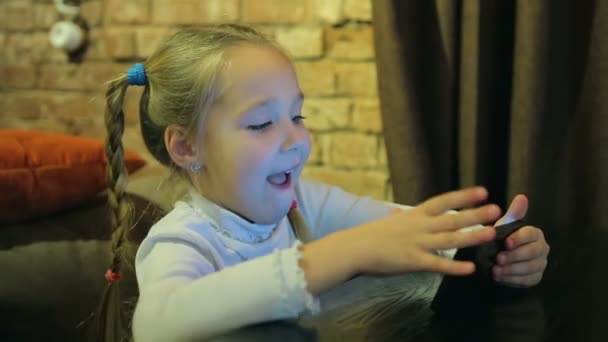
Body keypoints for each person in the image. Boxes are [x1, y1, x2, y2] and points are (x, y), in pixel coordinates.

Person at [101, 24, 550, 341]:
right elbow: (158, 325)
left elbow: (399, 231)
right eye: (261, 124)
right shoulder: (181, 241)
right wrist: (334, 256)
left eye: (297, 115)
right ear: (187, 148)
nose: (295, 139)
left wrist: (495, 246)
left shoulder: (301, 203)